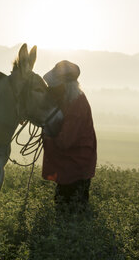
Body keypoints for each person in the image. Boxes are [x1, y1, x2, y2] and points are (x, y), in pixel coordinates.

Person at [41, 60, 97, 212]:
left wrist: (47, 136)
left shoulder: (76, 105)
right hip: (70, 166)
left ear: (64, 85)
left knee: (71, 207)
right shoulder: (69, 100)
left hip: (76, 166)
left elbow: (65, 141)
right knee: (64, 204)